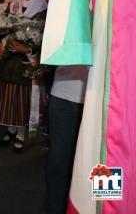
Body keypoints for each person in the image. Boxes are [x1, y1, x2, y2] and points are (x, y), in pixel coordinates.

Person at [0, 0, 48, 152]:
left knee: (24, 97)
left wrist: (28, 48)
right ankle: (10, 128)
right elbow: (3, 26)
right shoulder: (13, 2)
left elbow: (44, 35)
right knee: (8, 94)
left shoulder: (42, 5)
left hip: (29, 58)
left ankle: (21, 132)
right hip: (10, 56)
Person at [44, 65, 87, 214]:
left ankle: (105, 208)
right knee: (59, 163)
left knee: (106, 162)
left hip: (110, 98)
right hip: (65, 94)